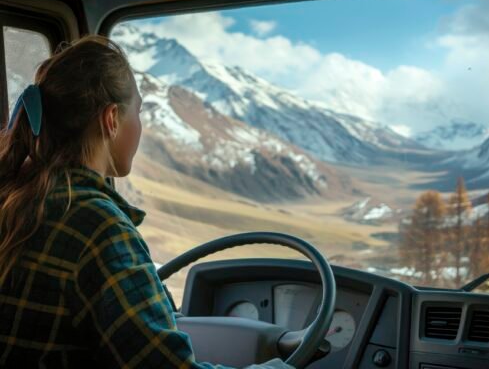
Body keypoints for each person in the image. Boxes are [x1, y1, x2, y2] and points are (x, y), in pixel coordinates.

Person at [0, 36, 292, 369]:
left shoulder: (15, 197)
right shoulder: (99, 226)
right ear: (111, 119)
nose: (139, 126)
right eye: (137, 112)